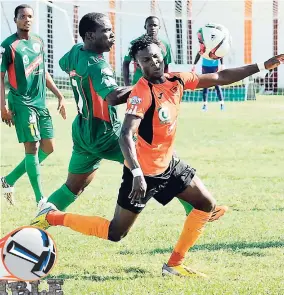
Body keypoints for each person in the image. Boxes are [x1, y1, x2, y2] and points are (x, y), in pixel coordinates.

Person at [32, 36, 282, 277]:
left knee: (206, 204)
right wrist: (137, 174)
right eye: (146, 60)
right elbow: (125, 135)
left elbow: (219, 76)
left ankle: (175, 265)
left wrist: (262, 66)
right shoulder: (142, 91)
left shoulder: (177, 79)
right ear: (138, 65)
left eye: (155, 56)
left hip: (169, 164)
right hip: (144, 173)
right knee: (116, 232)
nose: (153, 62)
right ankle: (52, 217)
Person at [30, 13, 221, 219]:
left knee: (73, 186)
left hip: (82, 130)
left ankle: (39, 220)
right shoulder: (98, 65)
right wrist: (149, 85)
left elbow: (62, 63)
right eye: (106, 31)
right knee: (162, 160)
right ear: (90, 36)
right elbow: (112, 97)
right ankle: (197, 210)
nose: (112, 35)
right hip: (106, 132)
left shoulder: (76, 51)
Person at [1, 4, 66, 206]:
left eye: (30, 16)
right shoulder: (8, 46)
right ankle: (41, 200)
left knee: (49, 146)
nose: (27, 19)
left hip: (40, 102)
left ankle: (8, 180)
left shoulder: (39, 42)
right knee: (33, 146)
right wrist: (2, 106)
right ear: (16, 20)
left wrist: (59, 95)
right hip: (21, 102)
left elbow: (43, 71)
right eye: (22, 16)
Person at [123, 16, 171, 86]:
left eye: (155, 25)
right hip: (139, 83)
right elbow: (126, 63)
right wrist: (127, 84)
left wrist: (165, 82)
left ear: (159, 27)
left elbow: (166, 65)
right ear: (145, 27)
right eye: (150, 25)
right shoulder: (134, 44)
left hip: (157, 84)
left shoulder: (165, 45)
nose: (152, 28)